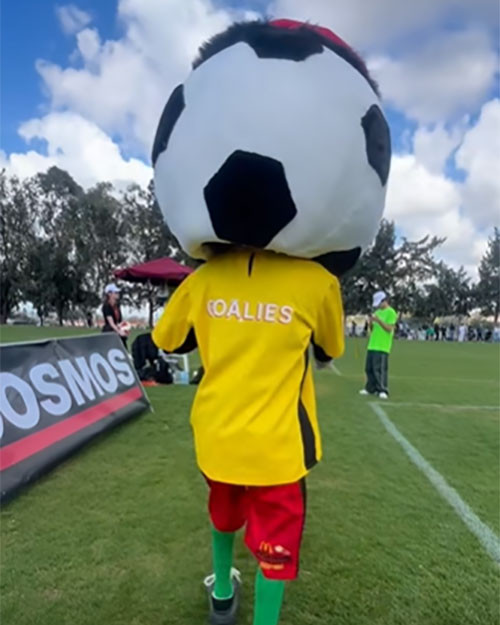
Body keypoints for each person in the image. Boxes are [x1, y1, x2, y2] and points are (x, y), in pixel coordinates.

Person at [360, 291, 397, 399]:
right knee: (369, 368)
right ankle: (370, 388)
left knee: (379, 369)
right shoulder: (377, 312)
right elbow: (372, 329)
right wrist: (371, 323)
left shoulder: (391, 312)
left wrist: (378, 320)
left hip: (382, 346)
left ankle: (382, 389)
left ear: (384, 301)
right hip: (372, 344)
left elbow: (389, 328)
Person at [102, 283, 128, 348]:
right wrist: (119, 332)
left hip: (117, 330)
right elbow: (111, 323)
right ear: (109, 294)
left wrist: (123, 326)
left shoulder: (117, 306)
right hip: (109, 332)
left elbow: (118, 321)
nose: (118, 294)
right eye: (115, 292)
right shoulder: (106, 307)